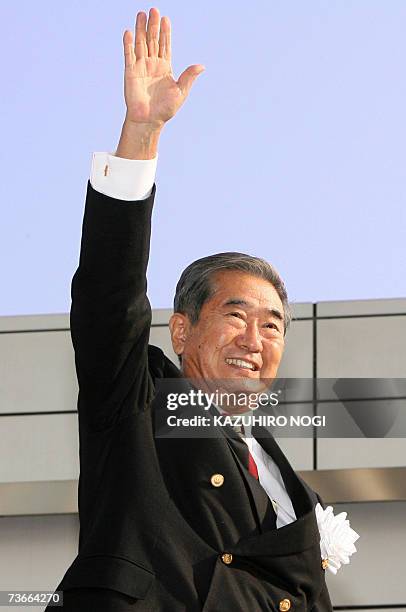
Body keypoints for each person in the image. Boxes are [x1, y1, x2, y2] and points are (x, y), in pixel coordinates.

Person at [49, 7, 333, 611]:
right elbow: (108, 295)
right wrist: (143, 133)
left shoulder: (289, 483)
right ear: (182, 329)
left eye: (273, 324)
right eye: (236, 315)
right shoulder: (136, 400)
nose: (255, 338)